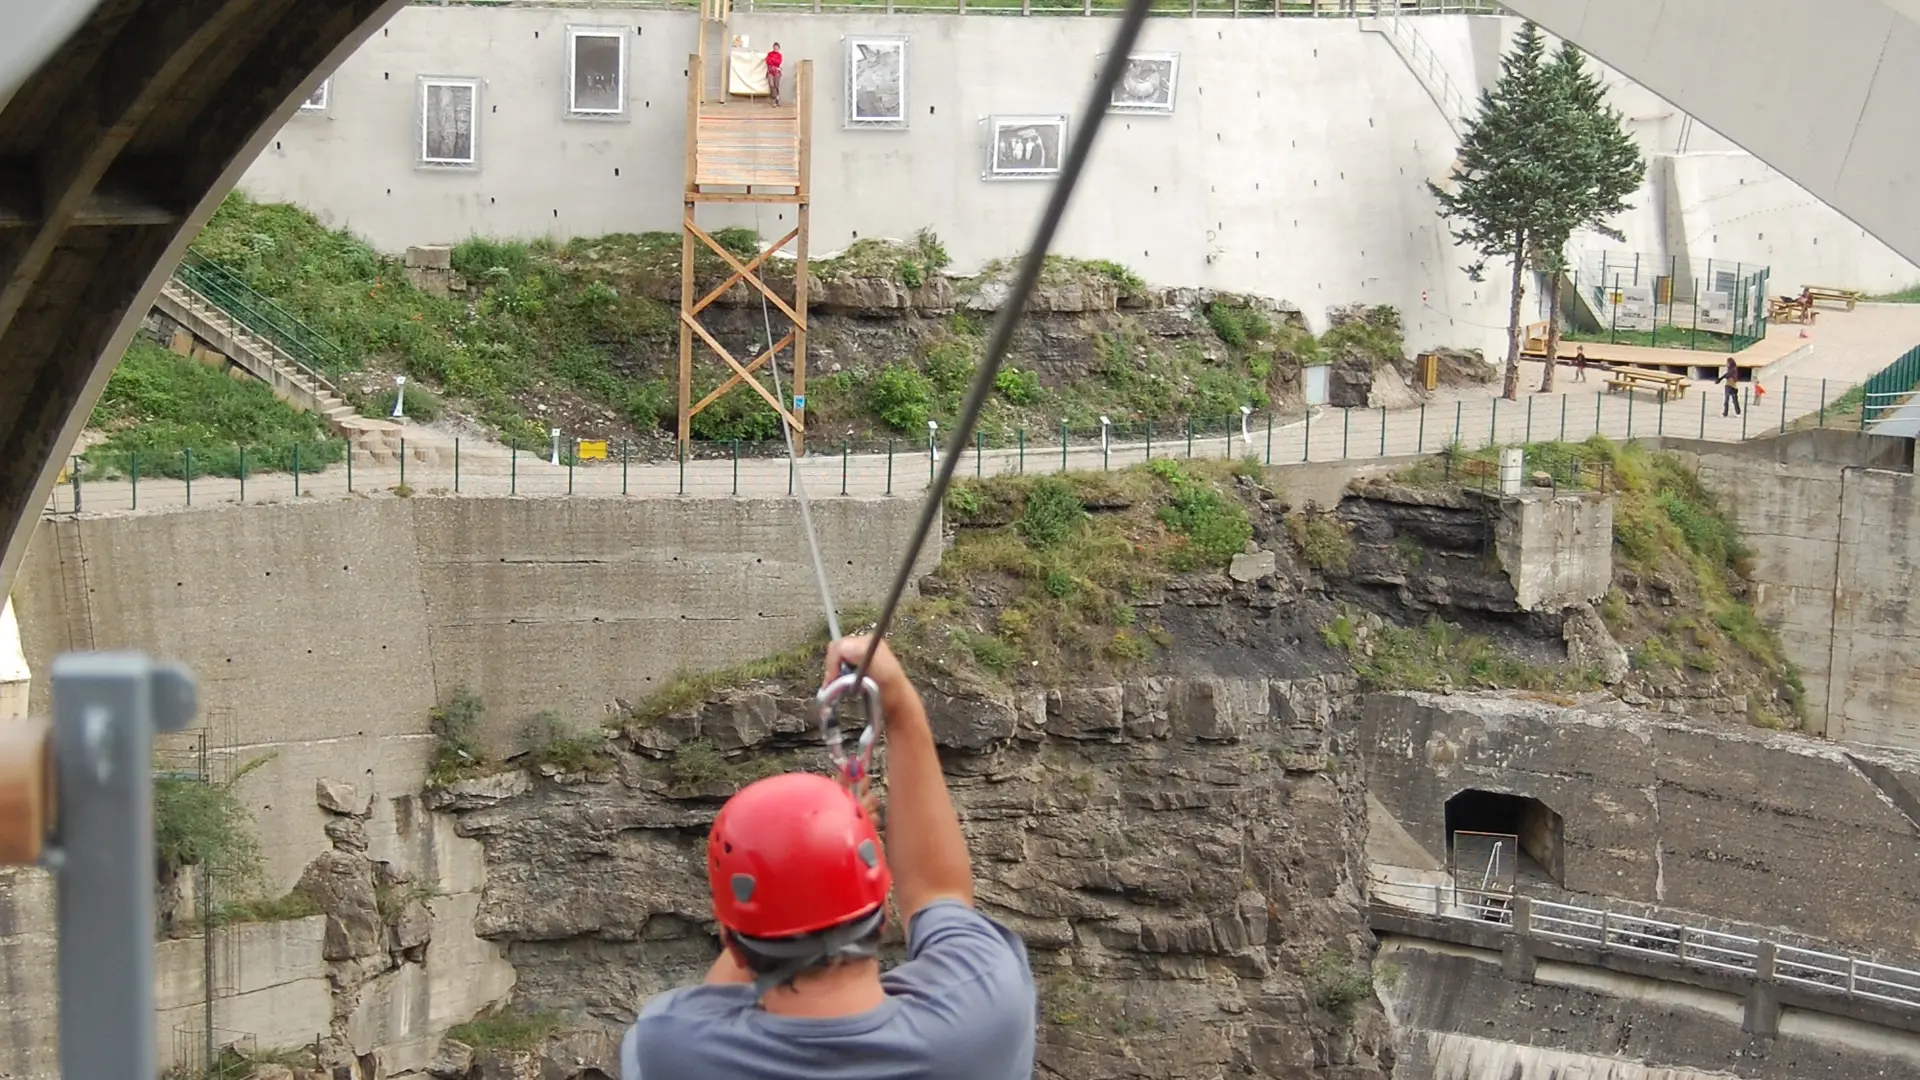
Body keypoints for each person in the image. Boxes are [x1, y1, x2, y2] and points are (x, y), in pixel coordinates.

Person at [619, 634, 1037, 1080]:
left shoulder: (667, 1050)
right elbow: (939, 892)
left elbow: (711, 1008)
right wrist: (898, 707)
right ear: (883, 908)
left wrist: (813, 856)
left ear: (729, 938)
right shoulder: (986, 1009)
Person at [765, 42, 783, 107]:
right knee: (771, 84)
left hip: (777, 71)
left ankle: (777, 99)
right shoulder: (769, 54)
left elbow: (778, 62)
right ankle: (774, 99)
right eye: (774, 47)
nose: (775, 48)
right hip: (770, 71)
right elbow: (767, 61)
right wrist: (773, 61)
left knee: (776, 85)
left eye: (777, 47)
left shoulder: (780, 55)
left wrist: (772, 60)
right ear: (773, 47)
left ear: (778, 48)